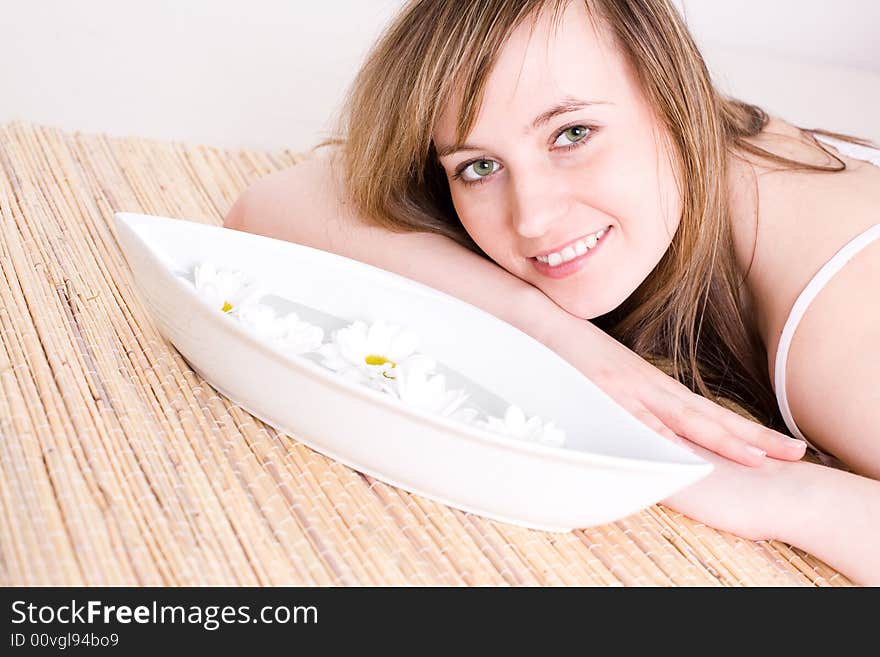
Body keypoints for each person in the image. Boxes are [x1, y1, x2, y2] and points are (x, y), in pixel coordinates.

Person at [223, 0, 880, 584]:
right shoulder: (688, 152)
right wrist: (555, 338)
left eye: (572, 134)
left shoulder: (839, 329)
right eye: (478, 166)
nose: (531, 218)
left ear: (675, 97)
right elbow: (271, 206)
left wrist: (791, 497)